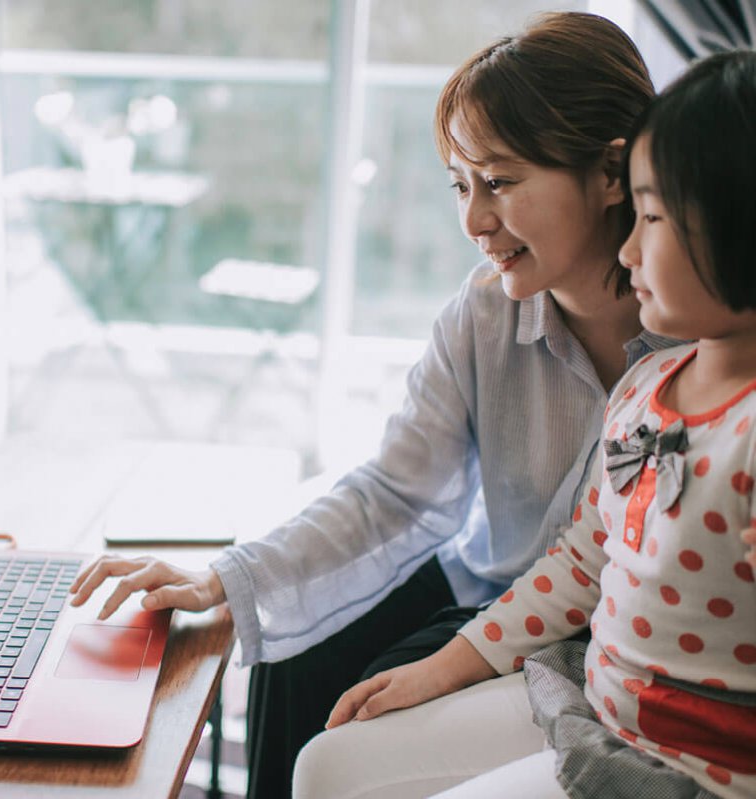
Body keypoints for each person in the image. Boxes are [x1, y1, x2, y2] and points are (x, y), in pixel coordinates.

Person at [69, 13, 676, 797]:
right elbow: (397, 490)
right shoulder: (486, 310)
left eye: (500, 181)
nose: (474, 221)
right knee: (292, 657)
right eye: (461, 186)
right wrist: (226, 579)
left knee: (359, 713)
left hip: (591, 622)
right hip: (485, 582)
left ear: (608, 172)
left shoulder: (700, 338)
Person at [297, 50, 756, 799]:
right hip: (598, 700)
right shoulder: (649, 385)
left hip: (692, 762)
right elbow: (583, 562)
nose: (630, 248)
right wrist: (435, 670)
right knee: (325, 763)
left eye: (653, 218)